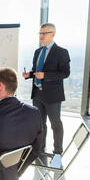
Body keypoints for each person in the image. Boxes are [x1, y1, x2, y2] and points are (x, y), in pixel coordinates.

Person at [22, 23, 70, 168]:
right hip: (37, 94)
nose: (41, 36)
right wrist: (29, 75)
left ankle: (57, 153)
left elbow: (65, 73)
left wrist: (45, 75)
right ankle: (40, 148)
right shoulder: (38, 52)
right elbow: (36, 70)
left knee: (55, 123)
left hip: (53, 96)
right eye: (40, 33)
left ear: (53, 34)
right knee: (39, 124)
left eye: (45, 33)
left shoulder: (61, 52)